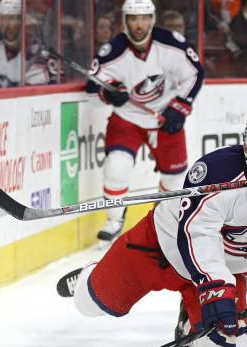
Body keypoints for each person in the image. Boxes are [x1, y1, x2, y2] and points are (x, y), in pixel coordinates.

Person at [65, 101, 247, 347]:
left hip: (222, 274)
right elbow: (197, 233)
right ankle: (92, 273)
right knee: (89, 303)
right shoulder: (218, 170)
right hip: (161, 248)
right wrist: (215, 288)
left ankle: (189, 322)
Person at [86, 0, 204, 245]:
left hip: (166, 118)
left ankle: (161, 222)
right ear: (125, 20)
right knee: (116, 166)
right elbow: (92, 89)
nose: (139, 25)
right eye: (133, 18)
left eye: (144, 18)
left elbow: (195, 73)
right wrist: (108, 93)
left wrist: (179, 108)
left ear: (152, 19)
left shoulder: (170, 43)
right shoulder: (114, 50)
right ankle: (114, 219)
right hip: (128, 118)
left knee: (175, 180)